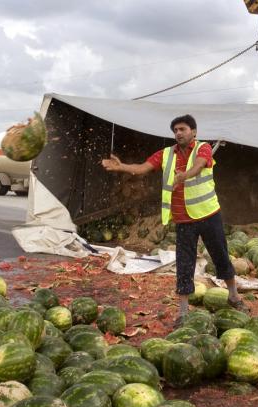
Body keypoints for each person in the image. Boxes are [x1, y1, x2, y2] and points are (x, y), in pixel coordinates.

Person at [101, 114, 248, 325]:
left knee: (220, 256)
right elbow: (143, 168)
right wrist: (121, 166)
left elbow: (199, 166)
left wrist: (184, 176)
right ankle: (183, 313)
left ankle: (234, 296)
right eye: (175, 130)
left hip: (208, 215)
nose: (178, 133)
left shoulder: (203, 148)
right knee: (184, 265)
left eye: (182, 129)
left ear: (194, 132)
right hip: (183, 220)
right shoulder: (166, 154)